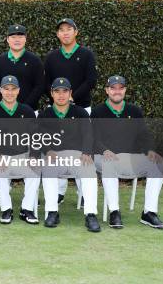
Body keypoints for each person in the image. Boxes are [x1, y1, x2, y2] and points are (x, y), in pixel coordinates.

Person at [91, 75, 163, 229]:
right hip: (103, 157)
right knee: (109, 162)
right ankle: (114, 212)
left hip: (129, 158)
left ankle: (149, 213)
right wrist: (104, 150)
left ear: (125, 90)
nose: (117, 91)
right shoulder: (98, 111)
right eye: (113, 88)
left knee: (158, 163)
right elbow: (93, 138)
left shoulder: (135, 111)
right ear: (107, 90)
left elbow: (144, 135)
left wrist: (150, 150)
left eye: (120, 88)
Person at [44, 18, 97, 203]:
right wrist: (60, 100)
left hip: (81, 107)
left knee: (81, 150)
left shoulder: (86, 54)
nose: (65, 33)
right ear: (58, 34)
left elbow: (91, 80)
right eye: (61, 30)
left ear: (76, 32)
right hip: (57, 108)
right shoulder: (51, 57)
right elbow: (47, 83)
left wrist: (72, 98)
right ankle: (59, 192)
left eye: (69, 29)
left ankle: (84, 194)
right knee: (59, 148)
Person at [39, 77, 100, 232]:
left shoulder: (80, 112)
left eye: (65, 91)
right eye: (57, 91)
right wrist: (48, 151)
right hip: (55, 156)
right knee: (48, 168)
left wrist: (87, 152)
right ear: (51, 93)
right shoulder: (45, 114)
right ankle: (52, 212)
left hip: (77, 155)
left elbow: (88, 135)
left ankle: (90, 214)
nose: (61, 95)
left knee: (89, 169)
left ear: (70, 93)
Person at [0, 75, 40, 225]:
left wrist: (33, 156)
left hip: (21, 155)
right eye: (6, 89)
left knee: (36, 168)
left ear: (18, 91)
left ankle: (26, 209)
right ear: (0, 90)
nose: (9, 92)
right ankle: (6, 209)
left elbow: (35, 138)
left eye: (13, 89)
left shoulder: (27, 111)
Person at [0, 24, 44, 111]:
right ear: (7, 39)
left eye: (20, 37)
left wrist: (24, 108)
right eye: (13, 37)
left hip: (29, 111)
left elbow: (39, 86)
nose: (17, 40)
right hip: (3, 111)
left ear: (26, 38)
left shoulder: (35, 61)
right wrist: (4, 106)